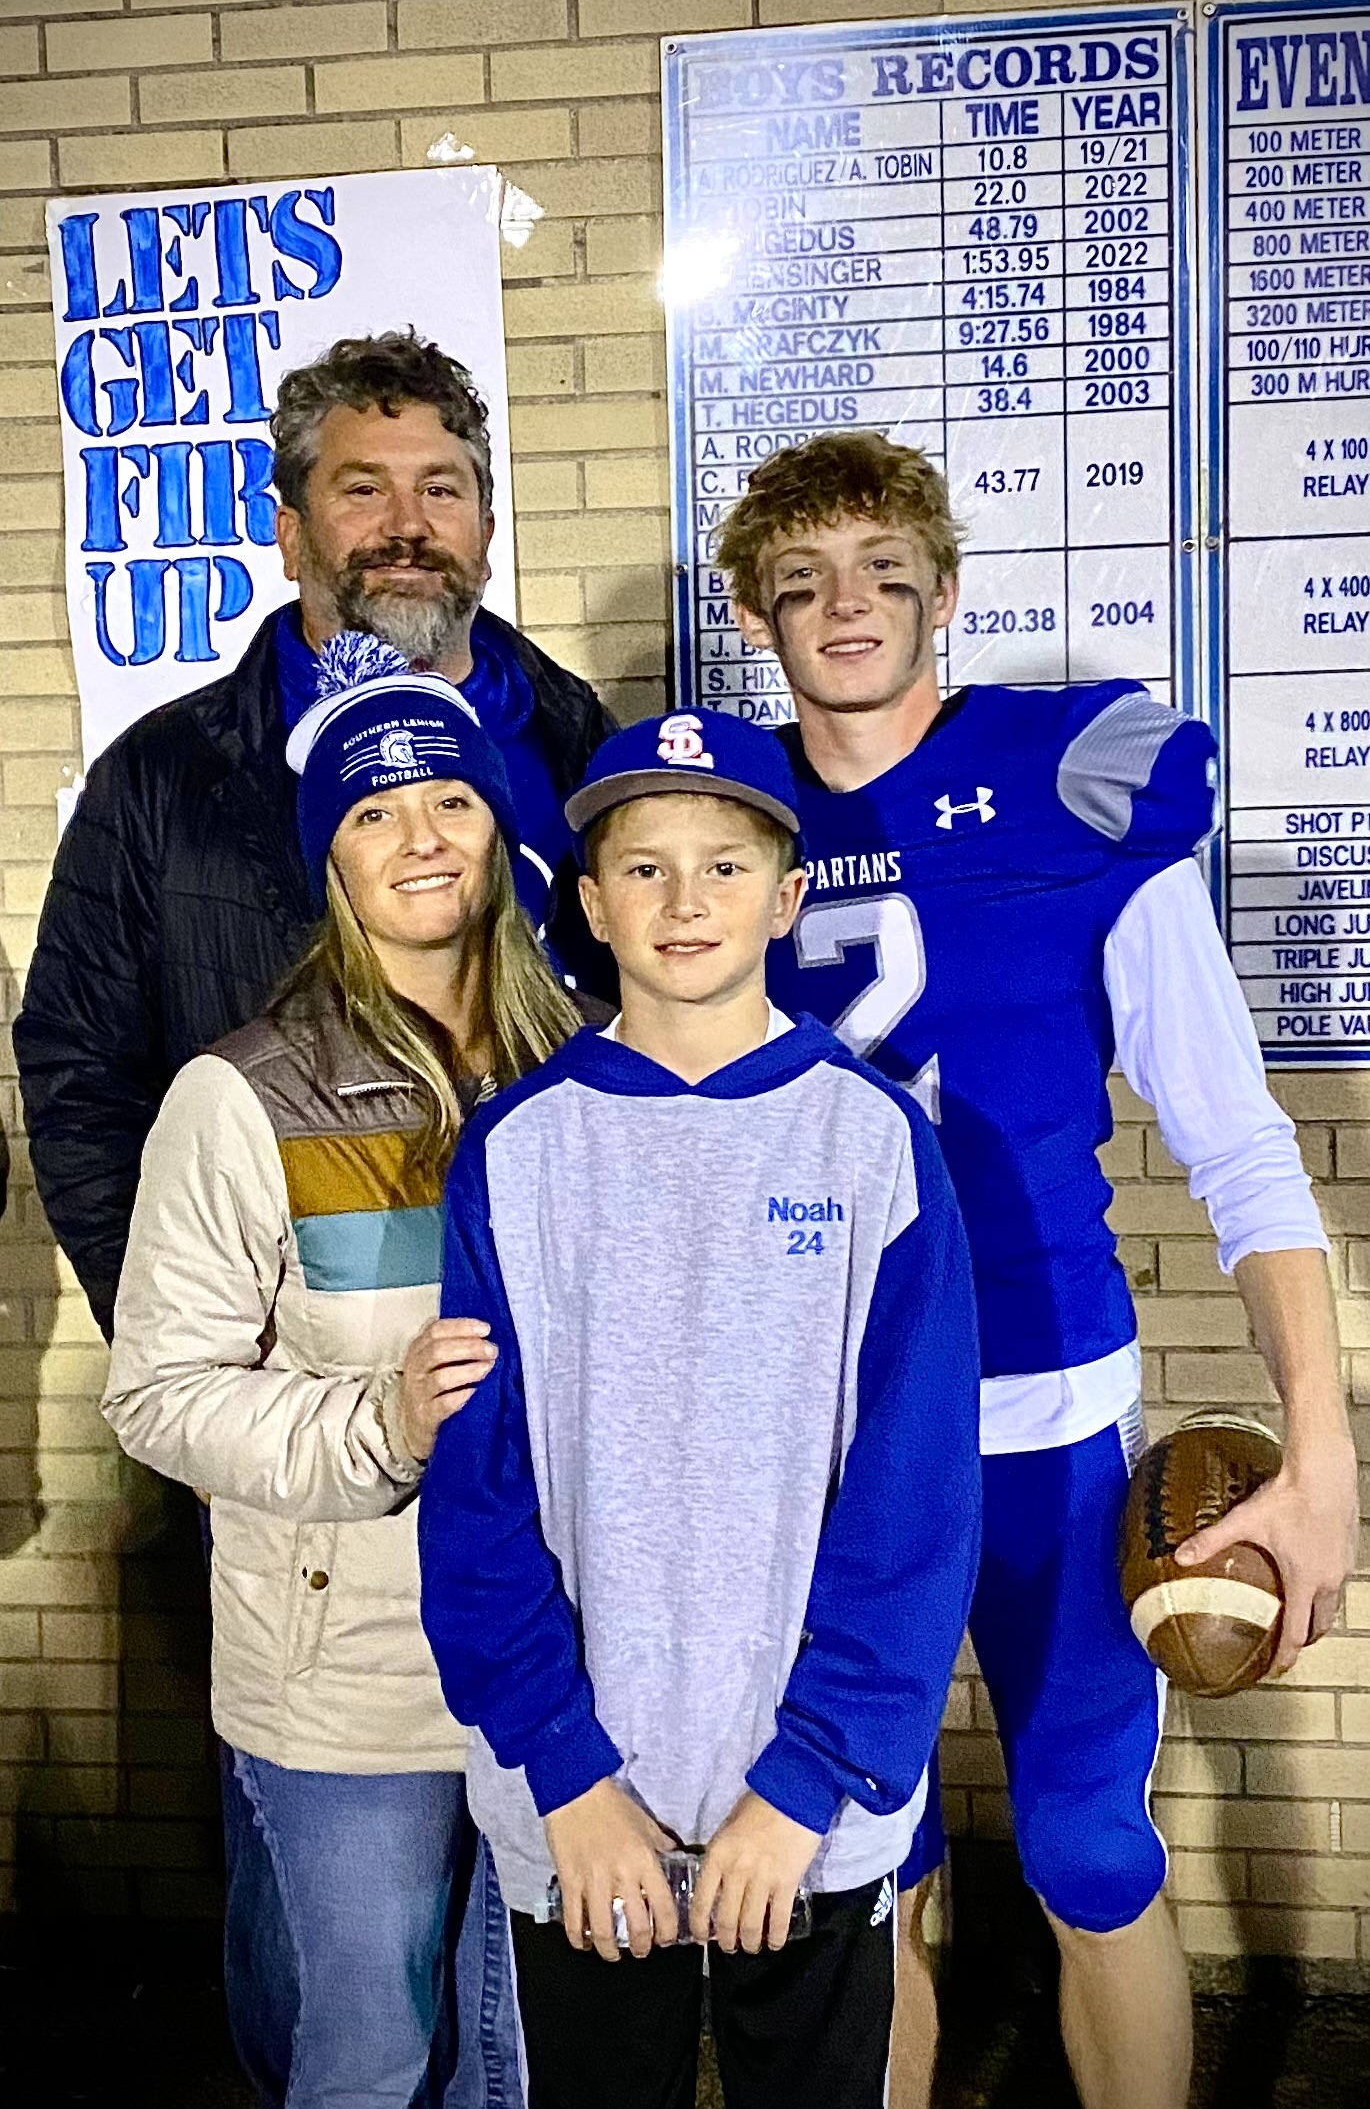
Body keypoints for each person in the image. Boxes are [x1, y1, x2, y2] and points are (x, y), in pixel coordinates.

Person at [714, 429, 1360, 2109]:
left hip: (1040, 1404)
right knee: (865, 1862)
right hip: (817, 1424)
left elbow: (1239, 1144)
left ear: (945, 591)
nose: (845, 604)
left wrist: (1325, 1450)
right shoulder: (713, 822)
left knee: (1085, 1838)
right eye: (801, 580)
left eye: (882, 569)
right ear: (754, 617)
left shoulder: (1075, 782)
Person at [417, 708, 983, 2109]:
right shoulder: (516, 1149)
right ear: (589, 902)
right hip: (581, 1807)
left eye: (724, 866)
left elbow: (914, 1504)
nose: (685, 902)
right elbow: (476, 1494)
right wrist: (566, 1777)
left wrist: (806, 1782)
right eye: (645, 868)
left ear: (787, 898)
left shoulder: (872, 1143)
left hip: (803, 1809)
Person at [101, 638, 590, 2108]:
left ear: (497, 825)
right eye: (373, 811)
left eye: (448, 798)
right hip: (350, 1679)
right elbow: (158, 1391)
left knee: (514, 2060)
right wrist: (380, 1422)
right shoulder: (242, 1093)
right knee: (370, 2056)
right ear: (331, 859)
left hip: (555, 1667)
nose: (418, 836)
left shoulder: (590, 1069)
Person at [17, 327, 615, 1346]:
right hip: (305, 1357)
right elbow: (82, 1079)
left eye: (439, 490)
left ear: (485, 530)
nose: (406, 526)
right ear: (291, 534)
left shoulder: (585, 748)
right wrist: (188, 1343)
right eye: (362, 490)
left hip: (570, 1331)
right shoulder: (164, 778)